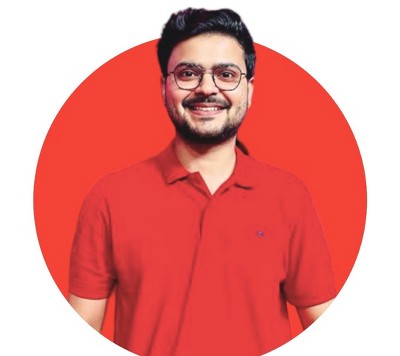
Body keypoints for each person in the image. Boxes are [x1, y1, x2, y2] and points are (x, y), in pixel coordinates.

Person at [68, 8, 336, 356]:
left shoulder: (289, 197)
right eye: (188, 73)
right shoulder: (109, 197)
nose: (207, 88)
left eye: (226, 74)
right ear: (164, 86)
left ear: (249, 90)